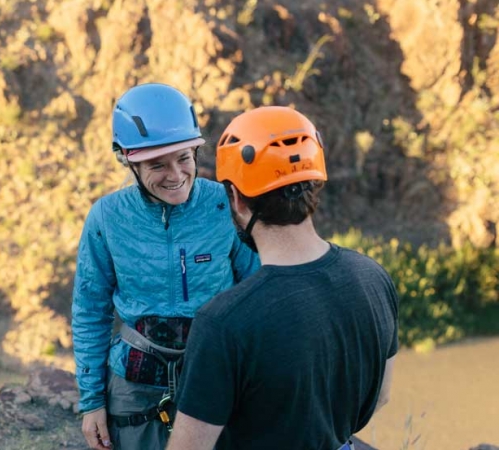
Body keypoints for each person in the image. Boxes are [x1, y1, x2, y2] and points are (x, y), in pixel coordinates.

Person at [167, 106, 398, 450]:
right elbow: (380, 397)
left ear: (236, 198)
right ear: (314, 183)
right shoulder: (373, 278)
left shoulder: (223, 323)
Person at [72, 83, 260, 450]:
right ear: (128, 160)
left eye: (184, 158)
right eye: (157, 164)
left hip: (215, 377)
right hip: (135, 384)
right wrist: (92, 401)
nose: (175, 175)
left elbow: (256, 290)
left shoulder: (224, 204)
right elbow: (90, 310)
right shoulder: (107, 218)